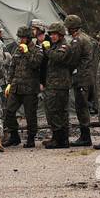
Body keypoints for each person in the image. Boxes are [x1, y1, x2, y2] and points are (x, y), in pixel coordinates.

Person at [4, 25, 42, 147]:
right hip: (16, 87)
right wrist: (9, 83)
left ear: (29, 37)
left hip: (30, 89)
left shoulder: (37, 50)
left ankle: (31, 138)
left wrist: (26, 52)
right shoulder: (17, 49)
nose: (21, 39)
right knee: (9, 112)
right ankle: (14, 137)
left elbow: (36, 64)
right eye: (20, 37)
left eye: (23, 37)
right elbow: (12, 67)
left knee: (30, 115)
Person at [42, 21, 79, 149]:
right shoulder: (56, 45)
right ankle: (59, 138)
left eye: (55, 34)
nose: (52, 36)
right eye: (51, 34)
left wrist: (46, 49)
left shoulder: (64, 46)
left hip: (59, 85)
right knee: (57, 111)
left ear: (61, 34)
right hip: (55, 84)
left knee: (56, 111)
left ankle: (60, 140)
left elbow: (58, 58)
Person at [65, 14, 96, 147]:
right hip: (87, 76)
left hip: (81, 77)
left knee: (81, 107)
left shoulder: (77, 40)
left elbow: (73, 59)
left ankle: (85, 137)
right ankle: (84, 136)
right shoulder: (86, 38)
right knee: (82, 106)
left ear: (72, 28)